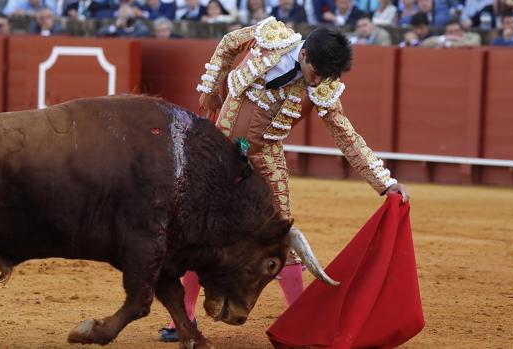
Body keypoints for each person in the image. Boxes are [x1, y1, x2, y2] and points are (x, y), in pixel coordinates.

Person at [158, 16, 410, 343]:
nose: (317, 82)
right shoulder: (270, 37)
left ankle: (301, 323)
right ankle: (185, 321)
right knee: (196, 232)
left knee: (284, 237)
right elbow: (229, 42)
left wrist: (385, 183)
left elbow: (347, 137)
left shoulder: (322, 87)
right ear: (303, 54)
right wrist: (210, 85)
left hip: (266, 158)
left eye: (324, 78)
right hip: (218, 152)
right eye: (315, 73)